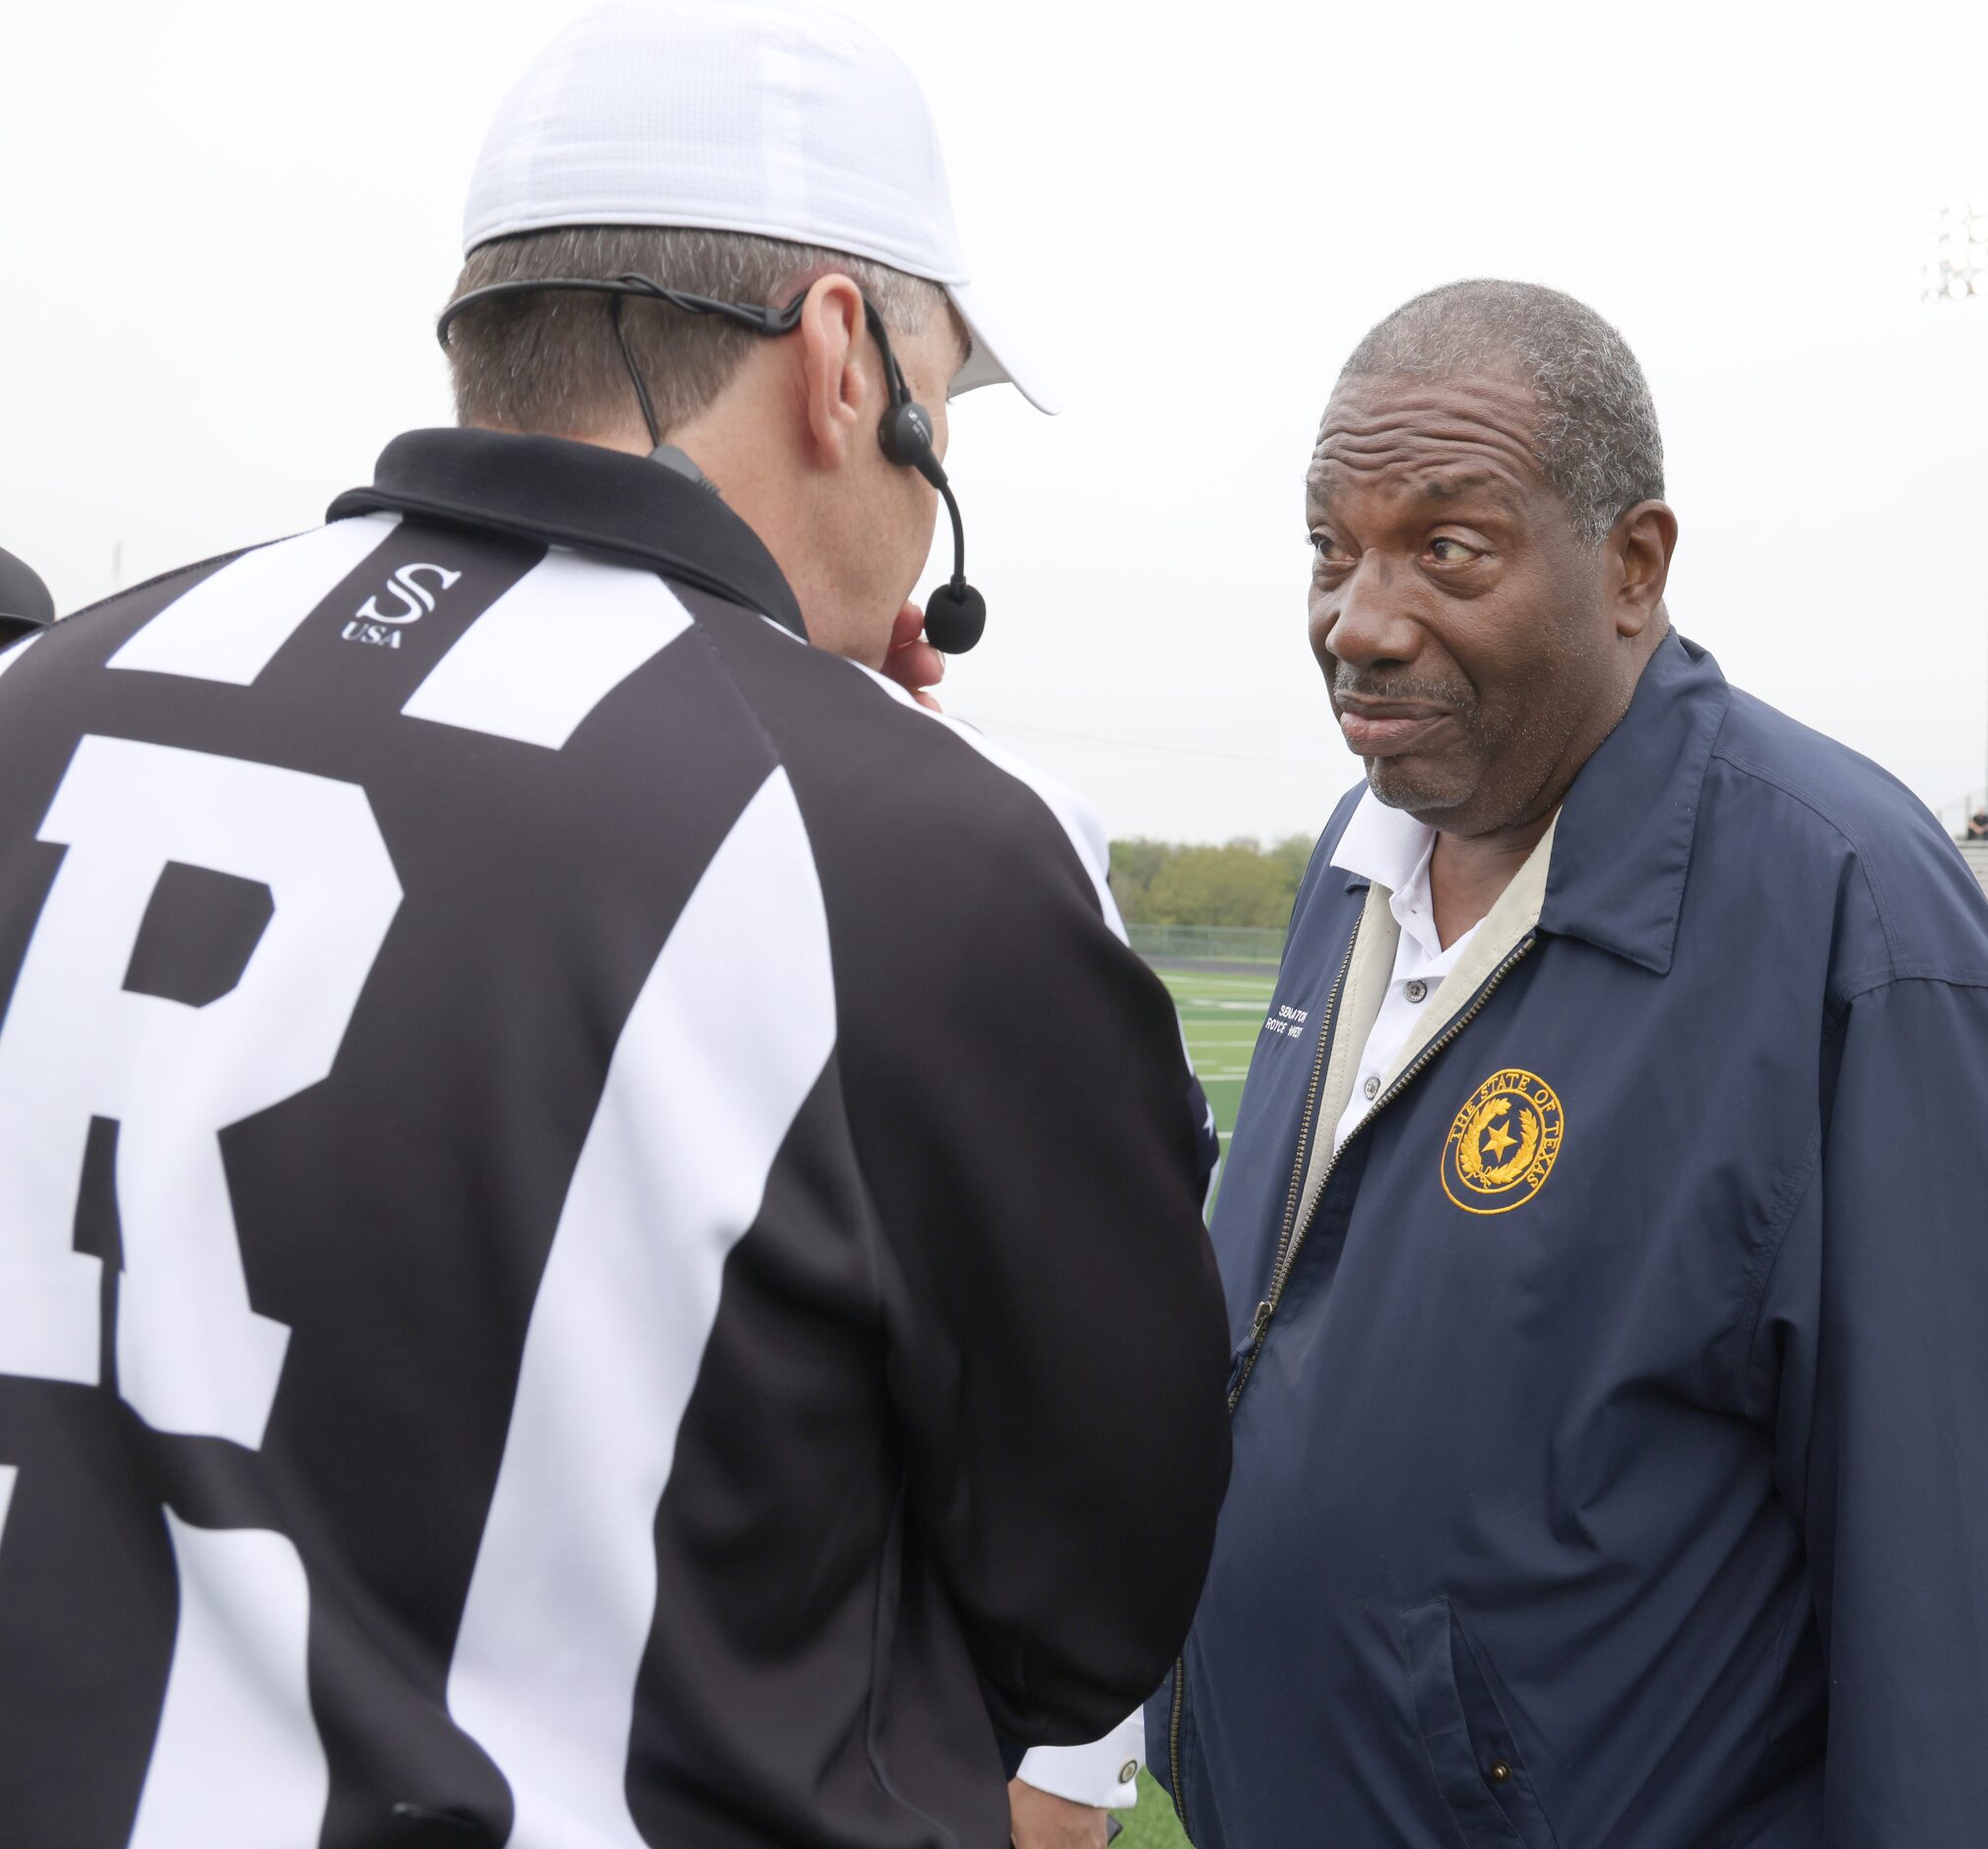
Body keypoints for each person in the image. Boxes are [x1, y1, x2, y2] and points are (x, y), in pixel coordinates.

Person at [0, 5, 1233, 1845]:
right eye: (942, 412)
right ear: (844, 361)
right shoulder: (914, 857)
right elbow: (1088, 1606)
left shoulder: (43, 694)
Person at [1152, 280, 1988, 1847]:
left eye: (1445, 549)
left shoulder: (1844, 910)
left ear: (1633, 565)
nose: (1361, 617)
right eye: (1332, 549)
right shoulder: (1362, 845)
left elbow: (1941, 1589)